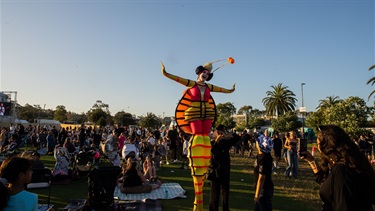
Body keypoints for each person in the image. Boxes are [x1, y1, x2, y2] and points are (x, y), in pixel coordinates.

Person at [161, 58, 235, 211]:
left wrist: (230, 90)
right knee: (198, 137)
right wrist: (165, 73)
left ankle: (205, 163)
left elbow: (222, 90)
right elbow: (177, 79)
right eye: (204, 73)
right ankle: (197, 194)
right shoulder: (191, 84)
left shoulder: (209, 87)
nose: (206, 75)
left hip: (207, 115)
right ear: (199, 73)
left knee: (205, 138)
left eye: (208, 73)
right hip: (193, 114)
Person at [301, 125, 375, 211]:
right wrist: (311, 161)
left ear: (327, 145)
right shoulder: (350, 163)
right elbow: (329, 184)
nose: (318, 147)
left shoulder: (342, 170)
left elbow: (343, 205)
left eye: (318, 144)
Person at [208, 124, 241, 211]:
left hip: (224, 170)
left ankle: (225, 209)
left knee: (225, 194)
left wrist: (227, 135)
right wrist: (216, 141)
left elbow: (237, 138)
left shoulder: (225, 142)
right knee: (214, 194)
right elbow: (213, 151)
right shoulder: (212, 143)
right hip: (215, 171)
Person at [254, 129, 274, 211]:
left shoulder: (264, 158)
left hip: (264, 189)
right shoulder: (260, 156)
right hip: (262, 188)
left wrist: (256, 195)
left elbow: (261, 178)